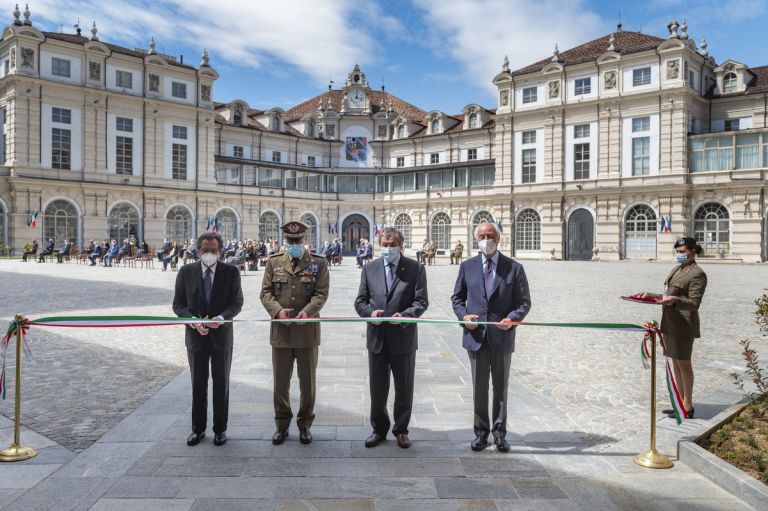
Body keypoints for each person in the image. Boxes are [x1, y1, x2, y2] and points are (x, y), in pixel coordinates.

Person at [451, 222, 531, 452]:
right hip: (475, 336)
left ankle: (499, 433)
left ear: (498, 239)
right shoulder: (467, 266)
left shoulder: (514, 268)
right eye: (482, 236)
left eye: (490, 235)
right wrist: (463, 316)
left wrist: (513, 318)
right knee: (479, 388)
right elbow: (457, 299)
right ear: (476, 239)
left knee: (500, 388)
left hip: (502, 336)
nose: (486, 239)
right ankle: (480, 433)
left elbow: (524, 302)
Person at [354, 227, 428, 449]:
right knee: (378, 388)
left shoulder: (415, 268)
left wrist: (405, 315)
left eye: (392, 245)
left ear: (401, 246)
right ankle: (379, 429)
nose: (387, 249)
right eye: (384, 245)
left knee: (404, 387)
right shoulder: (369, 269)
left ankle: (401, 430)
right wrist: (370, 313)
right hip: (377, 337)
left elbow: (421, 301)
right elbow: (360, 301)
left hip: (403, 337)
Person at [260, 221, 329, 446]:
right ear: (285, 241)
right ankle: (281, 425)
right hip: (281, 332)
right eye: (290, 241)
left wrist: (308, 312)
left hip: (306, 332)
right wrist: (278, 311)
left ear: (305, 240)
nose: (294, 244)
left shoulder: (318, 263)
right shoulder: (273, 262)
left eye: (297, 241)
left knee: (307, 383)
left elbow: (321, 294)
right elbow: (266, 293)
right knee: (281, 383)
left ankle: (305, 424)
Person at [173, 232, 243, 447]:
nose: (209, 254)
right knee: (198, 384)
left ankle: (220, 430)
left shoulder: (230, 272)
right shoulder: (186, 272)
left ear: (220, 251)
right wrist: (194, 322)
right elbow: (178, 305)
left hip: (221, 338)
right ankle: (198, 429)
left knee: (221, 384)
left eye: (213, 251)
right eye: (205, 250)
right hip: (196, 337)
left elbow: (236, 303)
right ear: (198, 251)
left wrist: (221, 319)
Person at [635, 237, 707, 419]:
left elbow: (694, 303)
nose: (679, 254)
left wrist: (675, 301)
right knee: (675, 362)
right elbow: (668, 294)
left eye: (682, 251)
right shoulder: (677, 269)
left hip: (683, 324)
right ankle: (680, 402)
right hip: (669, 321)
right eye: (677, 251)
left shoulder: (697, 273)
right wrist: (649, 295)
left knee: (684, 363)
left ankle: (688, 406)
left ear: (693, 251)